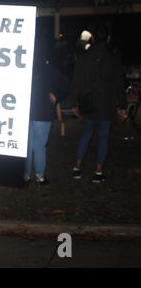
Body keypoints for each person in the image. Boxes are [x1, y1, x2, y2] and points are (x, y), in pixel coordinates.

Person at [70, 27, 127, 183]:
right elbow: (119, 84)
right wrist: (122, 105)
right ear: (108, 39)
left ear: (93, 38)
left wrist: (74, 103)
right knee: (103, 137)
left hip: (88, 102)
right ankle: (98, 171)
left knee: (86, 133)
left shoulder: (83, 57)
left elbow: (76, 81)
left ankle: (77, 167)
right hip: (106, 104)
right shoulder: (114, 58)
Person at [24, 40, 69, 185]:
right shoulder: (48, 68)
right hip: (42, 112)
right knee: (39, 144)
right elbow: (65, 83)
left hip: (25, 111)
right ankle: (40, 176)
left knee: (27, 145)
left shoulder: (22, 67)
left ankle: (25, 175)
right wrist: (56, 95)